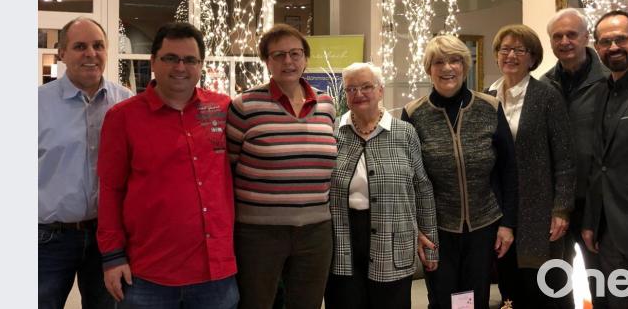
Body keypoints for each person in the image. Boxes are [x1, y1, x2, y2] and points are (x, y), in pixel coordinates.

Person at [96, 22, 238, 308]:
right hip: (147, 274)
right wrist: (112, 256)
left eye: (190, 60)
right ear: (153, 62)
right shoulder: (123, 117)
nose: (180, 67)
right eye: (171, 58)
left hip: (215, 273)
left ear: (201, 65)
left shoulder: (223, 109)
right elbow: (110, 190)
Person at [401, 34, 518, 309]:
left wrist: (508, 224)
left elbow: (509, 170)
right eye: (438, 61)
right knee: (443, 300)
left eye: (455, 60)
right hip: (436, 230)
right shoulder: (413, 114)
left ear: (465, 66)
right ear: (429, 68)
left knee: (473, 300)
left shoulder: (489, 107)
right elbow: (408, 179)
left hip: (484, 225)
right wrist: (417, 229)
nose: (447, 68)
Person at [226, 23, 338, 309]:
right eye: (278, 55)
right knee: (256, 303)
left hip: (316, 232)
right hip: (259, 234)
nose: (288, 61)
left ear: (305, 58)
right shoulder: (246, 106)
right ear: (267, 62)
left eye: (295, 53)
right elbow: (230, 166)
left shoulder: (327, 105)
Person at [325, 62, 439, 309]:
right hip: (342, 239)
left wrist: (430, 241)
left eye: (366, 87)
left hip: (393, 237)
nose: (358, 94)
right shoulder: (332, 131)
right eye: (351, 89)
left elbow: (423, 188)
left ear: (380, 90)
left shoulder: (404, 132)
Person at [38, 17, 133, 309]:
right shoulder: (37, 104)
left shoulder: (126, 103)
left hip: (108, 240)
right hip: (49, 239)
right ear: (62, 54)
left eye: (98, 45)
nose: (90, 53)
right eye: (80, 46)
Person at [488, 24, 575, 308]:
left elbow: (564, 157)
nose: (510, 55)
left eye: (519, 49)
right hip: (501, 209)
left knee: (544, 288)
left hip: (539, 211)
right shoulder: (488, 96)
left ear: (532, 57)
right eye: (504, 49)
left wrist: (561, 209)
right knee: (509, 288)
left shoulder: (547, 95)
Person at [541, 8, 610, 309]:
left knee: (605, 281)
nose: (565, 41)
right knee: (556, 283)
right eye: (558, 36)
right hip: (556, 203)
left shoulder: (609, 81)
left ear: (587, 37)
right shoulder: (543, 85)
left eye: (572, 34)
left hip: (599, 202)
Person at [582, 10, 628, 309]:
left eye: (621, 39)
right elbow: (599, 164)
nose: (613, 47)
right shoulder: (602, 91)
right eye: (605, 42)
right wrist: (592, 221)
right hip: (608, 231)